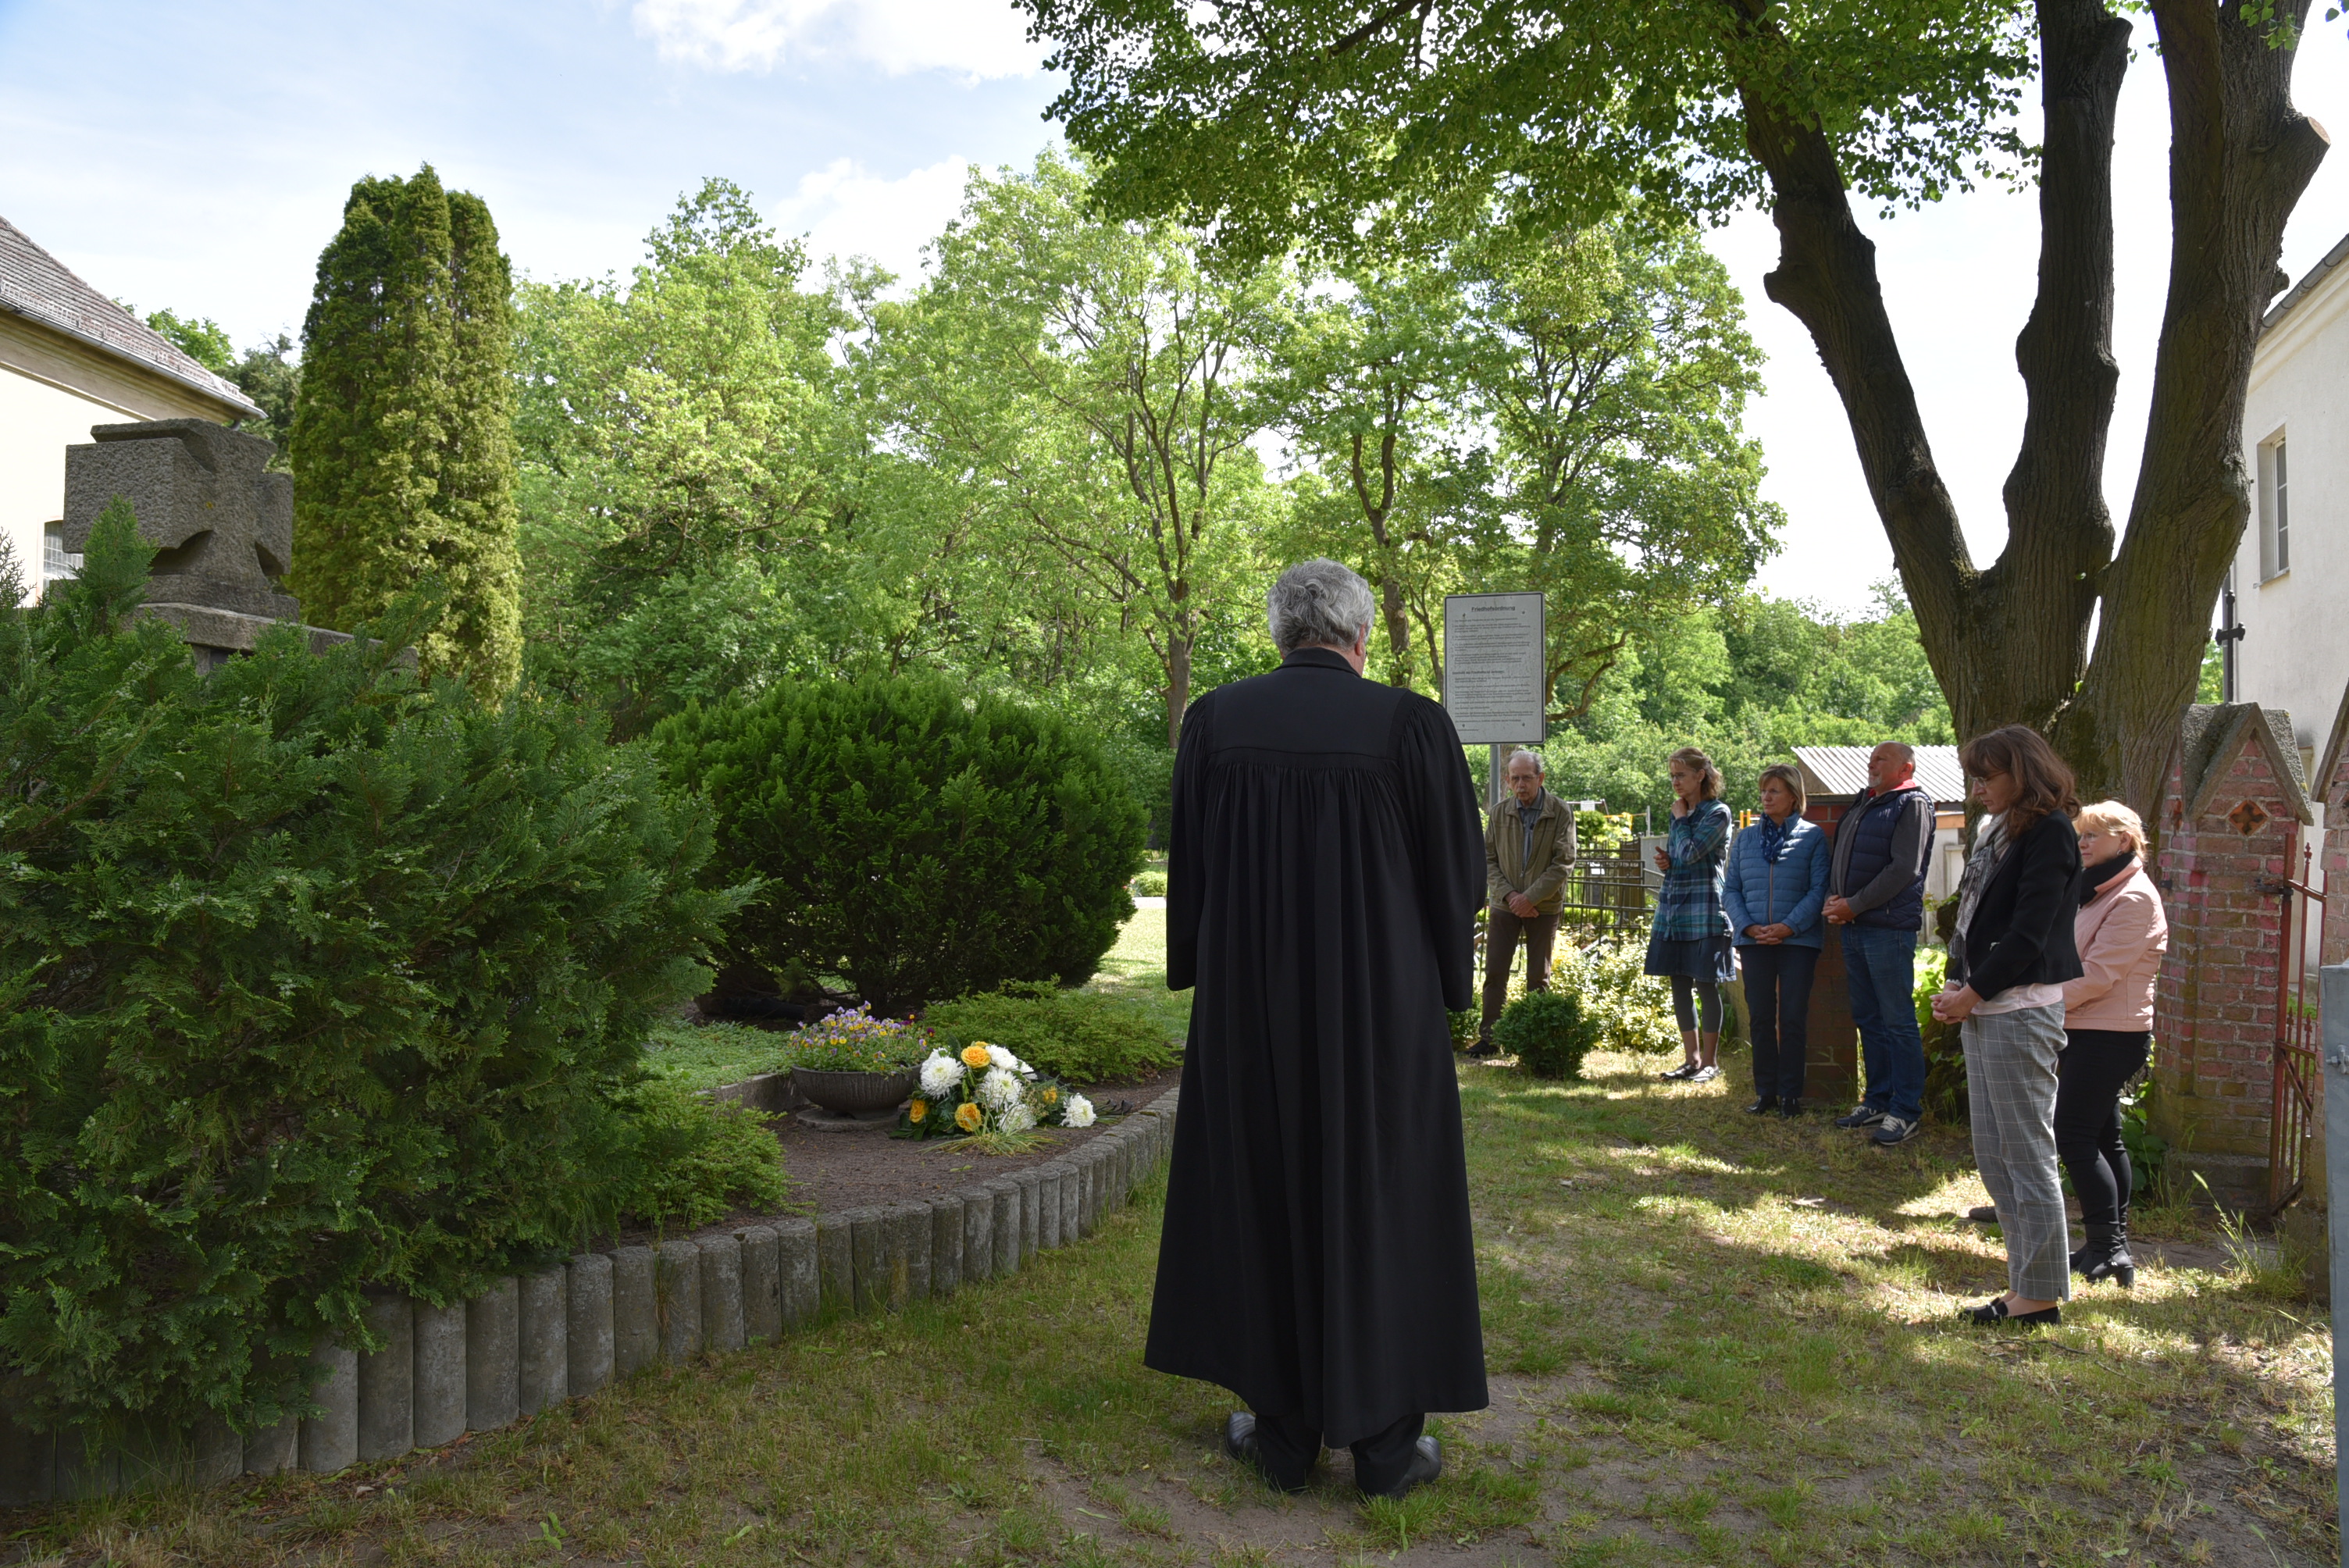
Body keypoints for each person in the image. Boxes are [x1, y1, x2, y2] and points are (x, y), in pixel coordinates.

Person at [1150, 558, 1485, 1499]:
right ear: (1358, 634)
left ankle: (1282, 1433)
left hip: (1249, 1008)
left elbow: (1193, 868)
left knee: (1261, 1188)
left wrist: (1203, 973)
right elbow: (1455, 878)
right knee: (1383, 1194)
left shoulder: (1214, 721)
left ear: (1279, 632)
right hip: (1383, 1013)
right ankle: (1383, 1445)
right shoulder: (1411, 723)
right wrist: (1442, 993)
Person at [1933, 725, 2084, 1328]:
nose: (1975, 791)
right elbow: (1970, 915)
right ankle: (2025, 1283)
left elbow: (2028, 932)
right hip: (1989, 1004)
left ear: (2022, 772)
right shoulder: (2001, 831)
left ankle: (2039, 1296)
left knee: (2025, 1156)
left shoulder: (2051, 833)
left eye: (1985, 777)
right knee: (1996, 1157)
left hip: (2020, 1012)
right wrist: (1956, 981)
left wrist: (1972, 992)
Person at [2057, 800, 2168, 1289]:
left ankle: (2109, 1248)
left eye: (2093, 836)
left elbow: (2098, 975)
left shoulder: (2134, 898)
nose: (2082, 844)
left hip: (2109, 1033)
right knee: (2102, 1137)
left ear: (2124, 841)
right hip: (2088, 1027)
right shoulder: (2099, 890)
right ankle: (2108, 1246)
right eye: (2080, 836)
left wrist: (2037, 1002)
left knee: (2074, 1134)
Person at [1825, 743, 1937, 1147]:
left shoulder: (1913, 804)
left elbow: (1904, 869)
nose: (1871, 765)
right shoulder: (1865, 802)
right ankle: (1877, 1100)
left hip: (1888, 930)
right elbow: (1841, 858)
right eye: (1871, 759)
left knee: (1897, 1021)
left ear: (1906, 767)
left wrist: (1852, 904)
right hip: (1854, 926)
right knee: (1869, 1018)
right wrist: (1835, 900)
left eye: (1881, 760)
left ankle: (1905, 1111)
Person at [1723, 763, 1830, 1116]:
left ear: (1794, 797)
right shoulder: (1746, 838)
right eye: (1763, 792)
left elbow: (1819, 890)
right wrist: (1749, 927)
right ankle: (1765, 1092)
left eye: (1774, 791)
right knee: (1760, 1017)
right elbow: (1731, 890)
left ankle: (1791, 1096)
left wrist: (1788, 927)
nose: (1765, 798)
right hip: (1754, 941)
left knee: (1794, 1016)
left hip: (1798, 942)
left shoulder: (1812, 837)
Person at [1478, 748, 1577, 1057]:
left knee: (1539, 976)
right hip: (1504, 906)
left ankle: (1535, 1042)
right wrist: (1510, 896)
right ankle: (1490, 1039)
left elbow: (1564, 862)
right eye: (1515, 778)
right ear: (1507, 780)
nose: (1521, 785)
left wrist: (1529, 898)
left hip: (1543, 907)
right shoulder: (1498, 812)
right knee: (1495, 972)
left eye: (1527, 778)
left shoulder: (1559, 811)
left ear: (1541, 778)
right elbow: (1487, 860)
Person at [1646, 747, 1734, 1084]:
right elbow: (1681, 856)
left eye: (1681, 775)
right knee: (1678, 984)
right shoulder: (1680, 811)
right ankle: (1691, 1059)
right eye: (1672, 776)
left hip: (1706, 908)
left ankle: (1710, 1063)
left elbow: (1693, 851)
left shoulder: (1718, 812)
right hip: (1675, 907)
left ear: (1701, 775)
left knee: (1706, 985)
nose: (1675, 782)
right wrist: (1668, 862)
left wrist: (1681, 821)